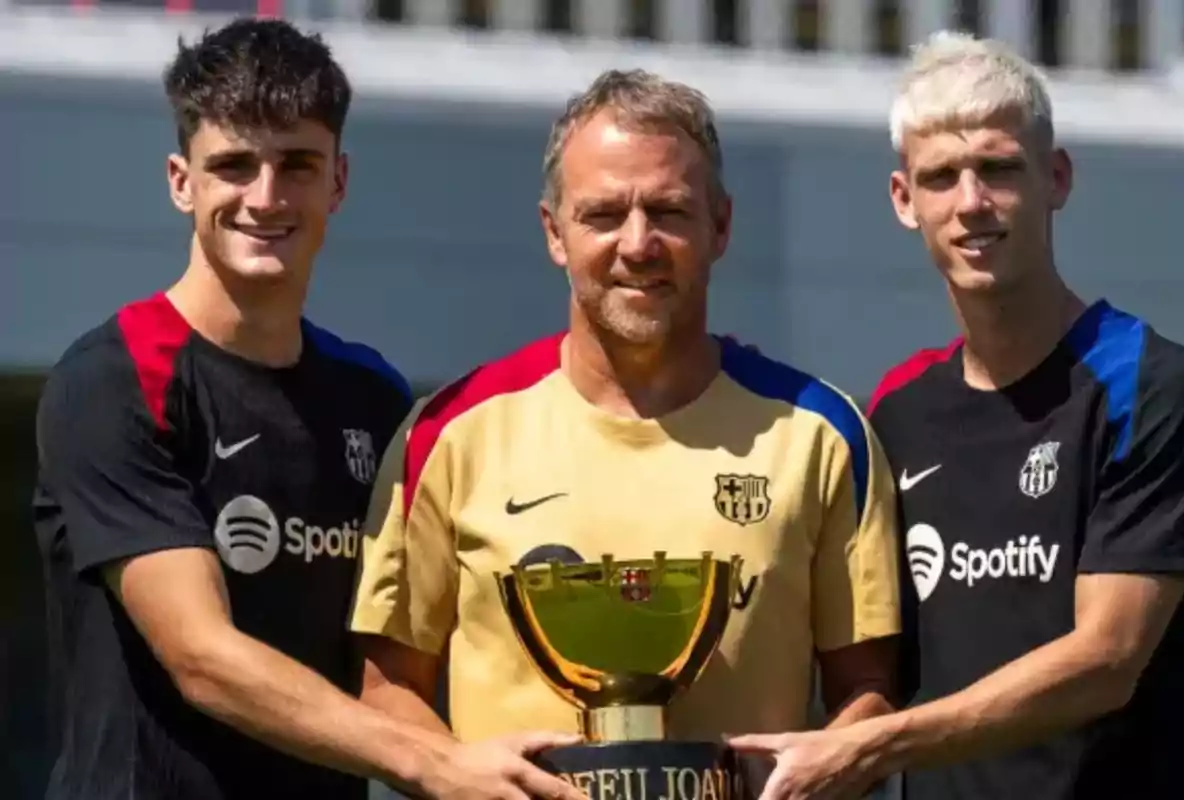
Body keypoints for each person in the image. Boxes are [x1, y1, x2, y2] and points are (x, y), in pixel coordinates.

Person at [33, 18, 581, 800]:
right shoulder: (116, 377)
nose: (265, 197)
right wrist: (434, 764)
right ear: (180, 181)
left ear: (339, 181)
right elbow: (203, 659)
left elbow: (412, 642)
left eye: (296, 164)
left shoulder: (373, 397)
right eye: (233, 165)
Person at [348, 67, 903, 780]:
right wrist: (457, 774)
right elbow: (387, 686)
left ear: (722, 226)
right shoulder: (452, 432)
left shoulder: (821, 435)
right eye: (603, 215)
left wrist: (816, 773)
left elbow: (871, 690)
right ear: (555, 232)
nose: (637, 244)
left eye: (669, 212)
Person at [725, 31, 1184, 800]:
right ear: (903, 200)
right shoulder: (898, 410)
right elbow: (876, 666)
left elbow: (1107, 659)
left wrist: (873, 748)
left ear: (1057, 178)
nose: (971, 202)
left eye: (999, 169)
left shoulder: (1151, 385)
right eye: (941, 176)